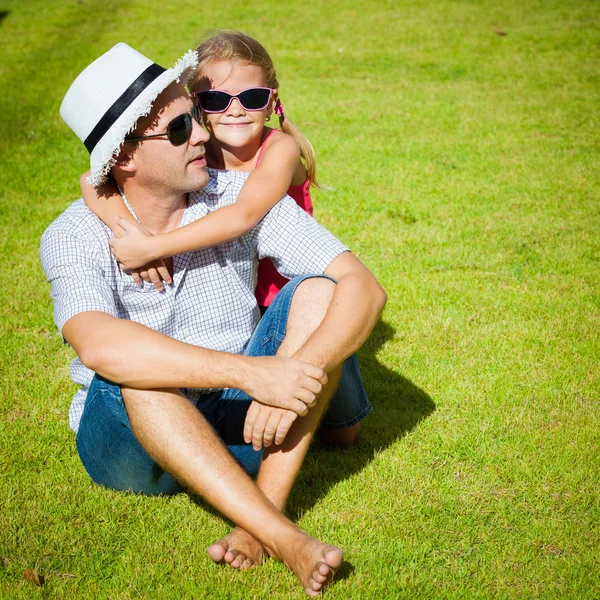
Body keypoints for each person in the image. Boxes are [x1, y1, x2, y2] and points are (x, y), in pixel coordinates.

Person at [41, 42, 386, 598]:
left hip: (239, 420)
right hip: (130, 445)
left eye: (195, 119)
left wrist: (297, 371)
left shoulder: (237, 199)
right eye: (180, 130)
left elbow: (363, 287)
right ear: (125, 158)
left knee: (318, 292)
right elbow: (97, 344)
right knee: (136, 368)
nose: (204, 136)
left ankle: (257, 515)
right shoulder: (76, 233)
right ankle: (283, 537)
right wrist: (251, 375)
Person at [79, 31, 317, 309]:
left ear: (271, 102)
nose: (235, 110)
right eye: (217, 99)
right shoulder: (199, 154)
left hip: (285, 296)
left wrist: (154, 247)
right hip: (230, 297)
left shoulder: (281, 149)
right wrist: (133, 233)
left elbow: (244, 215)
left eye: (251, 97)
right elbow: (91, 180)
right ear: (197, 105)